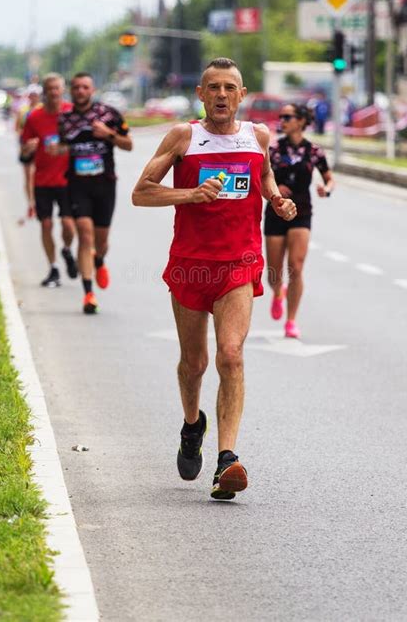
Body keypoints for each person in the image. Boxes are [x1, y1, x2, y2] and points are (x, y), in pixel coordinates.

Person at [132, 58, 297, 501]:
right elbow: (140, 192)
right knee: (195, 364)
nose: (222, 95)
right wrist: (190, 194)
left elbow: (263, 177)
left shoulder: (258, 136)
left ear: (242, 96)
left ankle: (227, 459)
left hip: (239, 264)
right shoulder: (184, 137)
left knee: (231, 354)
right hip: (190, 263)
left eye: (230, 88)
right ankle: (192, 426)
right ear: (200, 95)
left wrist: (278, 201)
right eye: (213, 88)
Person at [57, 73, 133, 314]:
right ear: (71, 90)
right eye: (76, 87)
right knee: (85, 235)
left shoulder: (109, 115)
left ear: (93, 89)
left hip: (104, 185)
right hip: (77, 186)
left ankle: (99, 260)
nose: (80, 91)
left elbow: (128, 144)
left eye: (85, 87)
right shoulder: (64, 119)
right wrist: (54, 149)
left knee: (101, 242)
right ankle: (88, 294)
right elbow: (60, 146)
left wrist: (109, 135)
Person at [265, 103, 335, 339]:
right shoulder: (273, 149)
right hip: (276, 210)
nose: (282, 120)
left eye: (288, 116)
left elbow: (329, 178)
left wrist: (326, 189)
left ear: (301, 121)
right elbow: (262, 176)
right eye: (281, 116)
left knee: (296, 266)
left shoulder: (314, 151)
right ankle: (277, 293)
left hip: (302, 212)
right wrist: (275, 188)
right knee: (274, 273)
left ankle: (291, 320)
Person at [20, 73, 77, 287]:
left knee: (68, 225)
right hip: (43, 179)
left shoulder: (72, 112)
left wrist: (65, 148)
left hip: (68, 179)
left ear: (62, 90)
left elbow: (83, 142)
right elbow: (24, 148)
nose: (53, 92)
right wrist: (29, 147)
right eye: (49, 89)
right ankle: (53, 268)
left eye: (57, 88)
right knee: (45, 224)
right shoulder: (34, 117)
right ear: (44, 92)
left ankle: (66, 250)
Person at [17, 84, 43, 219]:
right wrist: (24, 143)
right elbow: (18, 128)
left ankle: (37, 202)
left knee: (35, 176)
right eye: (31, 95)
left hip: (39, 146)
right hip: (26, 146)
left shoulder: (43, 110)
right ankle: (30, 204)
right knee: (28, 177)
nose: (33, 97)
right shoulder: (23, 110)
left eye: (36, 95)